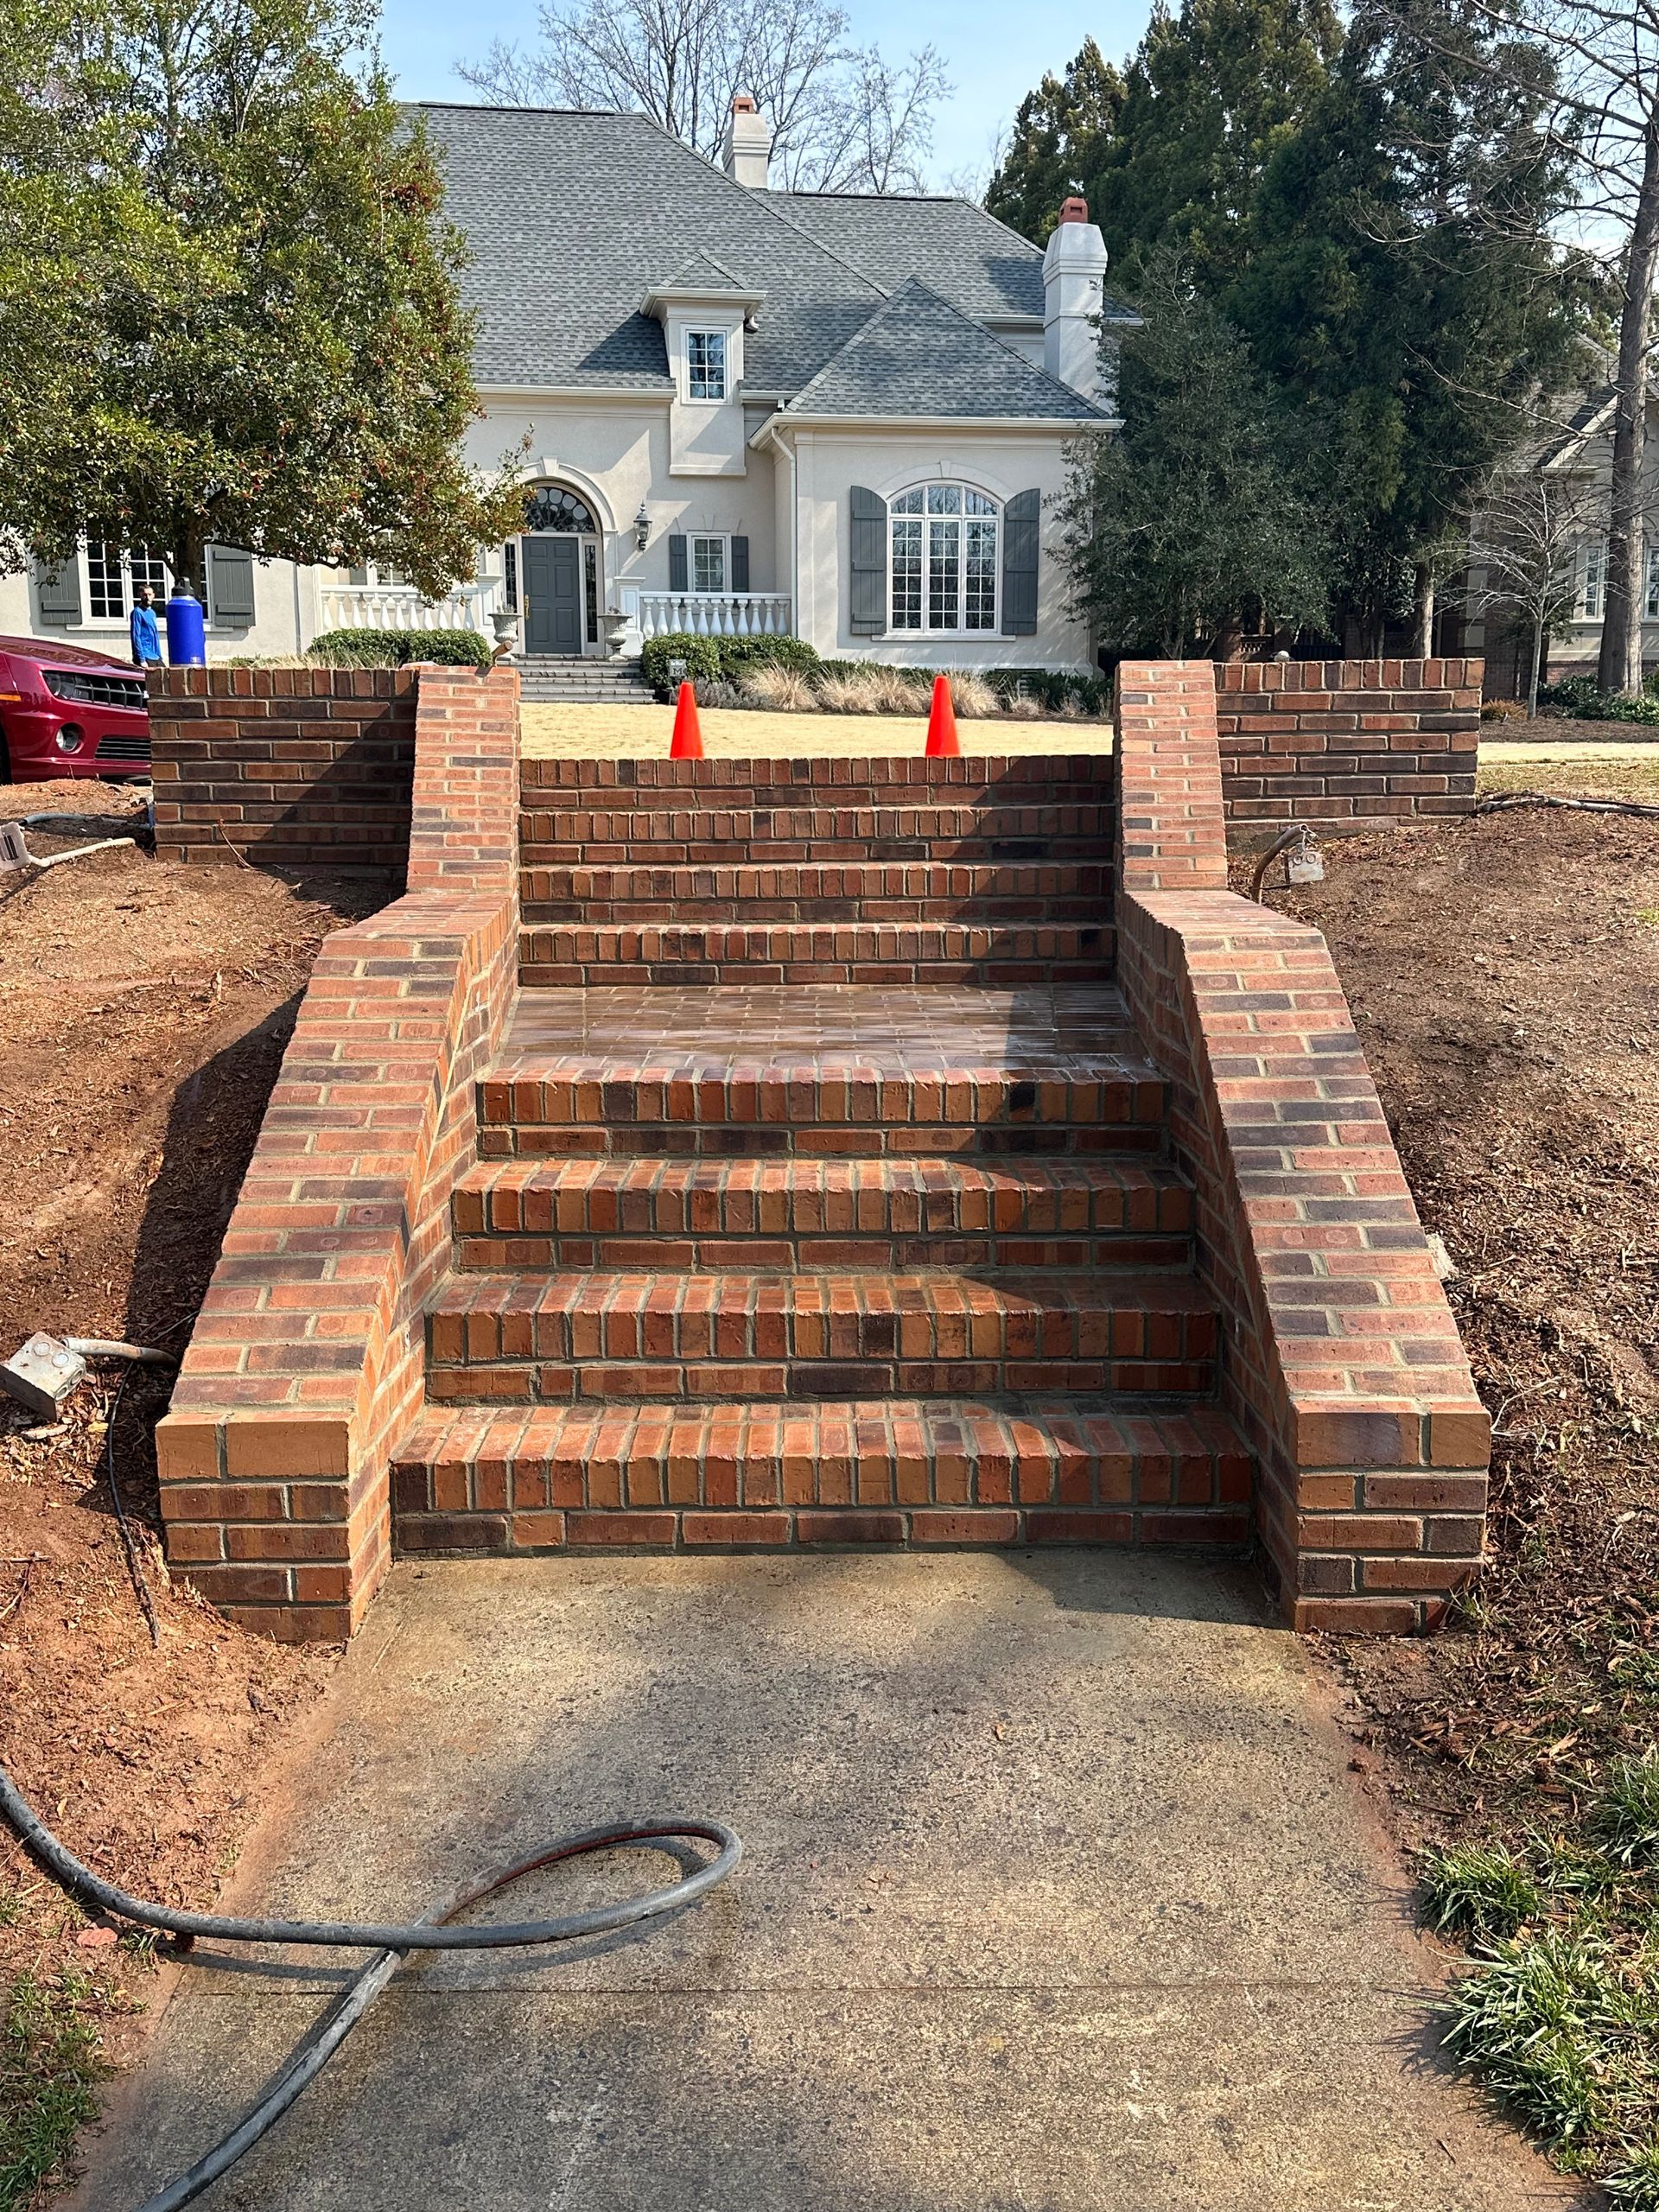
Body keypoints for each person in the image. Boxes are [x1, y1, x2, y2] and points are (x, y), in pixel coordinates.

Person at [130, 584, 162, 669]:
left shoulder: (152, 613)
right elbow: (136, 636)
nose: (148, 598)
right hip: (145, 655)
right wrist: (142, 659)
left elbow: (155, 636)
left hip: (155, 655)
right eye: (145, 595)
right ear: (140, 595)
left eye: (150, 595)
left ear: (153, 595)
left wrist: (159, 655)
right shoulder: (137, 612)